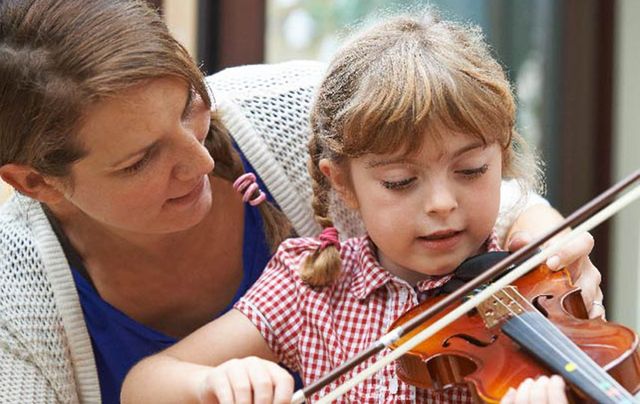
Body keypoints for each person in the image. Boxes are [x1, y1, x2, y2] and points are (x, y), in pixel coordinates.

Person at [0, 1, 600, 403]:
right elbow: (146, 385)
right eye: (139, 160)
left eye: (191, 107)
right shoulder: (309, 288)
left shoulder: (314, 108)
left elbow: (501, 195)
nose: (204, 160)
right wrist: (216, 385)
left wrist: (550, 244)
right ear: (36, 183)